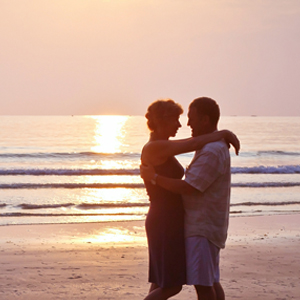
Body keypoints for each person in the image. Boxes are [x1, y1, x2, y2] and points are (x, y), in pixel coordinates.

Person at [141, 98, 239, 300]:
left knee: (163, 281)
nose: (181, 125)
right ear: (161, 121)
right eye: (176, 119)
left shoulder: (164, 145)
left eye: (185, 118)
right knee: (171, 285)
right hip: (165, 219)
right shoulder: (154, 148)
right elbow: (192, 143)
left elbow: (192, 144)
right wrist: (223, 134)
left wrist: (219, 135)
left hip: (174, 219)